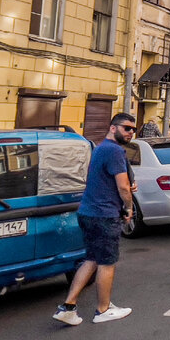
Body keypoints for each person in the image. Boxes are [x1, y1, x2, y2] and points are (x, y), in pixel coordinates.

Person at [53, 112, 135, 325]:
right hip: (104, 215)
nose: (131, 133)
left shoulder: (100, 148)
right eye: (127, 128)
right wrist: (128, 207)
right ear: (113, 128)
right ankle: (103, 310)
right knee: (107, 263)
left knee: (91, 259)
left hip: (87, 212)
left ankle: (68, 307)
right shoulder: (115, 151)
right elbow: (123, 186)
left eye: (133, 129)